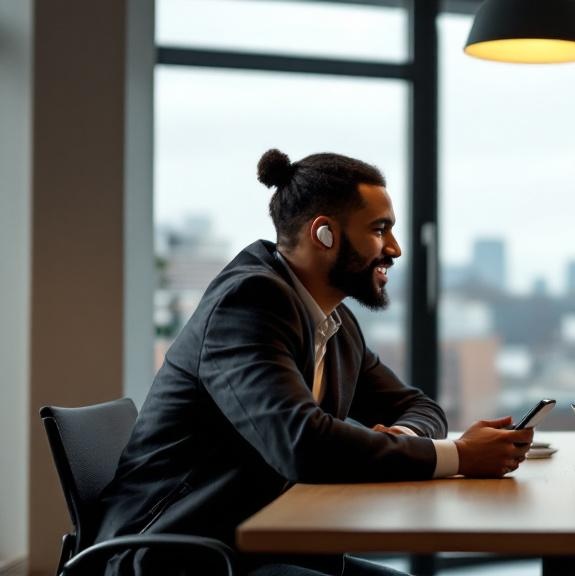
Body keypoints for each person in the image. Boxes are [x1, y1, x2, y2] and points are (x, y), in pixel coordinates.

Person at [96, 149, 533, 576]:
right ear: (324, 234)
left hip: (265, 546)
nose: (395, 249)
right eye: (380, 230)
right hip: (180, 555)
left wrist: (402, 435)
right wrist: (457, 455)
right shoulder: (248, 304)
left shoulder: (334, 321)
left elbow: (420, 408)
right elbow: (302, 445)